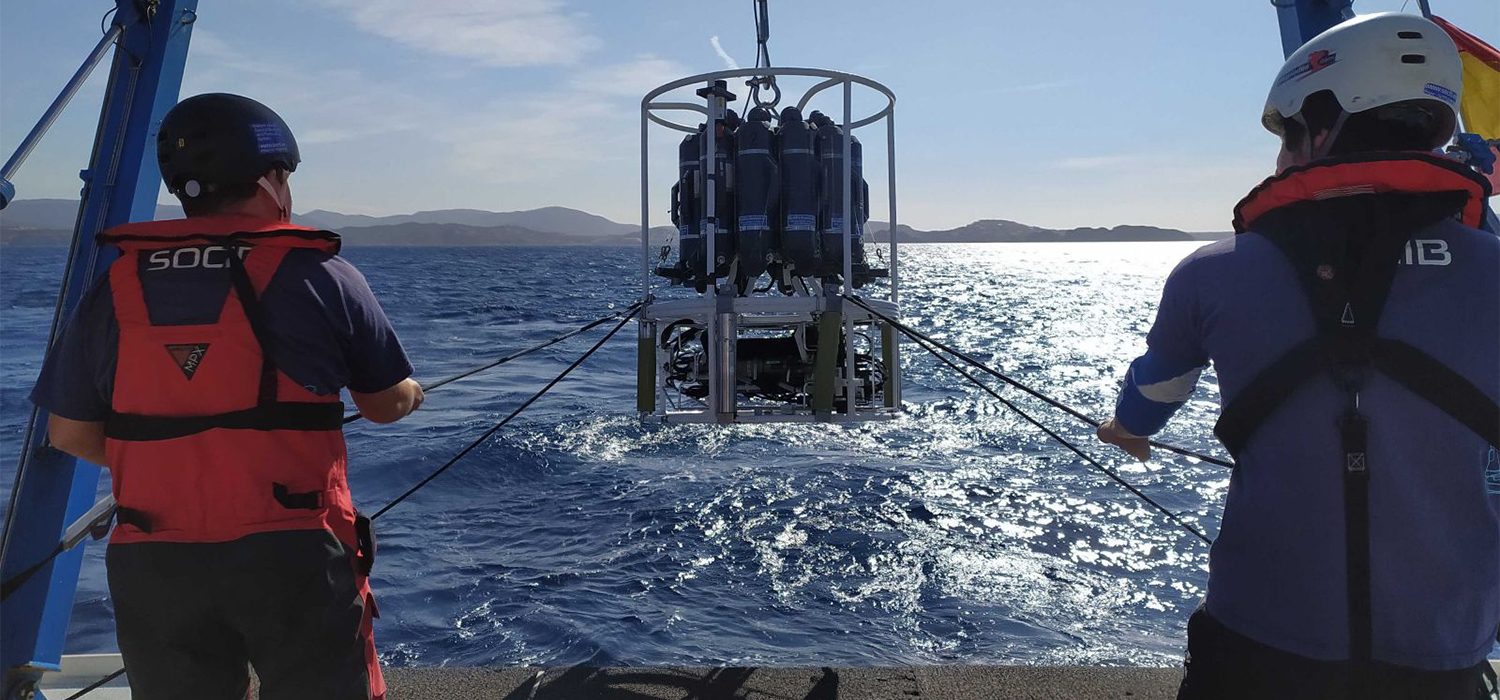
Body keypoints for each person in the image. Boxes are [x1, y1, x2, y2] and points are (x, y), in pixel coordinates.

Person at [1094, 13, 1499, 700]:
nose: (1279, 158)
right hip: (1443, 664)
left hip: (1255, 656)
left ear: (1321, 128)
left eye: (1286, 136)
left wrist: (1125, 431)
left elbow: (1151, 399)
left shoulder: (1211, 272)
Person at [31, 93, 424, 700]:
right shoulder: (320, 273)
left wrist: (185, 461)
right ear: (270, 179)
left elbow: (68, 432)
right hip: (293, 552)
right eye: (286, 176)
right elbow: (384, 403)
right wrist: (413, 392)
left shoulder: (119, 281)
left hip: (156, 560)